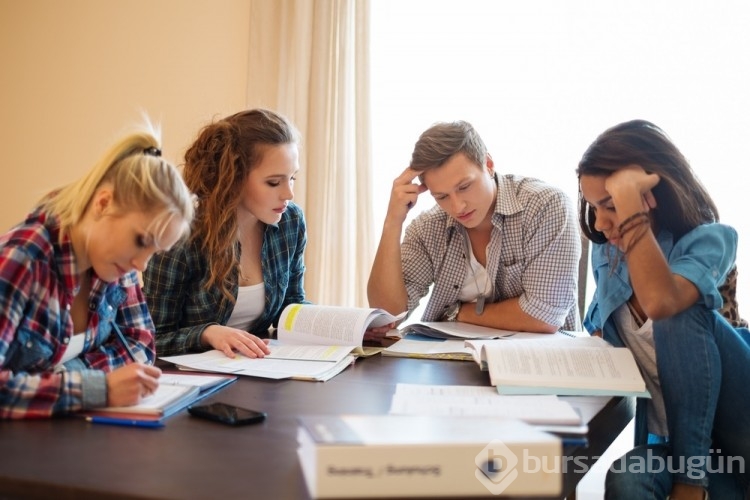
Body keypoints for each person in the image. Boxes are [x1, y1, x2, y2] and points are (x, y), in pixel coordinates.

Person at [577, 119, 750, 499]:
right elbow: (599, 327)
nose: (602, 223)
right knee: (628, 477)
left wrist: (631, 212)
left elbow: (662, 302)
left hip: (742, 429)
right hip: (700, 455)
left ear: (652, 193)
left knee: (676, 311)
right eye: (594, 207)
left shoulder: (712, 240)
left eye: (611, 206)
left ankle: (690, 485)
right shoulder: (609, 254)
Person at [0, 124, 195, 419]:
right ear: (103, 203)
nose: (141, 265)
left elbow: (140, 347)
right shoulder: (22, 260)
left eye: (153, 251)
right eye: (141, 241)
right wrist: (95, 388)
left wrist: (64, 377)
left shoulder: (115, 259)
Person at [368, 120, 581, 332]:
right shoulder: (429, 227)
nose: (457, 206)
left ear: (488, 164)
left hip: (536, 361)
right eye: (441, 196)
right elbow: (387, 316)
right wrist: (392, 222)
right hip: (451, 361)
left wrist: (457, 313)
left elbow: (544, 318)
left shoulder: (545, 206)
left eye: (464, 187)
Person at [142, 109, 305, 359]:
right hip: (193, 380)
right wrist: (207, 333)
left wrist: (352, 327)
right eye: (274, 182)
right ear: (234, 177)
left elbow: (291, 307)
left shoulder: (290, 222)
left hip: (258, 369)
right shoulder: (180, 234)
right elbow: (148, 340)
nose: (288, 194)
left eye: (292, 178)